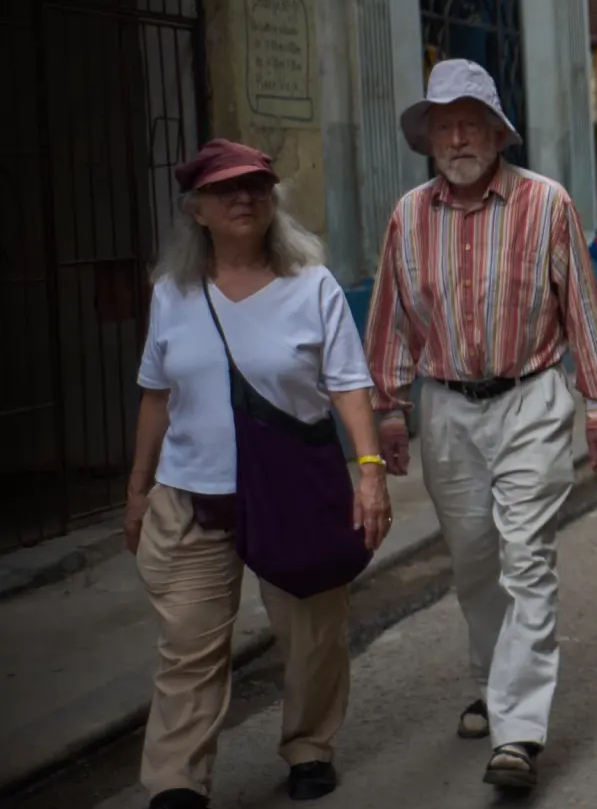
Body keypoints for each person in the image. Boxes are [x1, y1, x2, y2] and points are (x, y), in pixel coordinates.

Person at [364, 59, 597, 791]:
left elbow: (583, 310)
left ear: (497, 132)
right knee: (474, 558)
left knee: (526, 557)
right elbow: (389, 318)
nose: (456, 137)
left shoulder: (547, 204)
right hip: (445, 407)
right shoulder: (407, 216)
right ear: (429, 139)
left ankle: (518, 732)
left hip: (532, 396)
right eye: (443, 125)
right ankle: (490, 678)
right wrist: (388, 408)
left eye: (469, 122)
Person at [127, 140, 391, 809]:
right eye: (225, 190)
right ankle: (176, 781)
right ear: (197, 210)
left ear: (273, 200)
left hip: (294, 491)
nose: (243, 198)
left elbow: (349, 385)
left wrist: (369, 473)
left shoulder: (312, 284)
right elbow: (156, 397)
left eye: (256, 186)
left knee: (311, 636)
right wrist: (138, 490)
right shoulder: (172, 294)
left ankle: (308, 746)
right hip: (193, 496)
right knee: (188, 648)